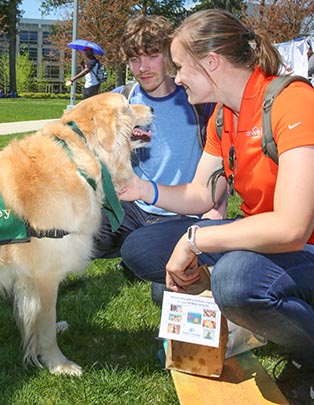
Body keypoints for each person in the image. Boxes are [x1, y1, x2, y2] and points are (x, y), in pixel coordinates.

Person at [118, 9, 314, 404]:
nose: (176, 76)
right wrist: (139, 188)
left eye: (181, 66)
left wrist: (196, 240)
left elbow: (291, 228)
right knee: (141, 250)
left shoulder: (295, 104)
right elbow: (200, 194)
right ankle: (235, 319)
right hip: (265, 246)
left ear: (211, 62)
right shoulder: (223, 117)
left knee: (234, 280)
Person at [93, 15, 226, 305]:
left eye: (152, 56)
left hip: (181, 211)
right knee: (80, 236)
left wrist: (218, 206)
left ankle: (138, 252)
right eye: (134, 58)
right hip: (134, 205)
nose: (142, 68)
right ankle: (130, 249)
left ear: (168, 55)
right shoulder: (121, 99)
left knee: (164, 294)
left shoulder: (197, 101)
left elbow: (224, 159)